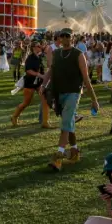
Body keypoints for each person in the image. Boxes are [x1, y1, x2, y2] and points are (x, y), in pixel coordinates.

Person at [44, 29, 100, 171]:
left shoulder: (78, 55)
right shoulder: (56, 53)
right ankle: (74, 151)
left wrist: (94, 99)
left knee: (65, 122)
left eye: (67, 36)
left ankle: (58, 157)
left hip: (74, 93)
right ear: (59, 39)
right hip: (59, 92)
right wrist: (43, 84)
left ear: (72, 38)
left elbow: (86, 78)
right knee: (69, 122)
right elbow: (51, 70)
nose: (64, 38)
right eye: (62, 36)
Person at [11, 41, 49, 128]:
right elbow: (28, 70)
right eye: (38, 46)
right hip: (30, 82)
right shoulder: (30, 58)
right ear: (33, 48)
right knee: (26, 102)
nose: (40, 47)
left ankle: (45, 122)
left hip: (39, 82)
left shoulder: (40, 57)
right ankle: (14, 117)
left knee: (45, 100)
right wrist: (40, 75)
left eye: (40, 46)